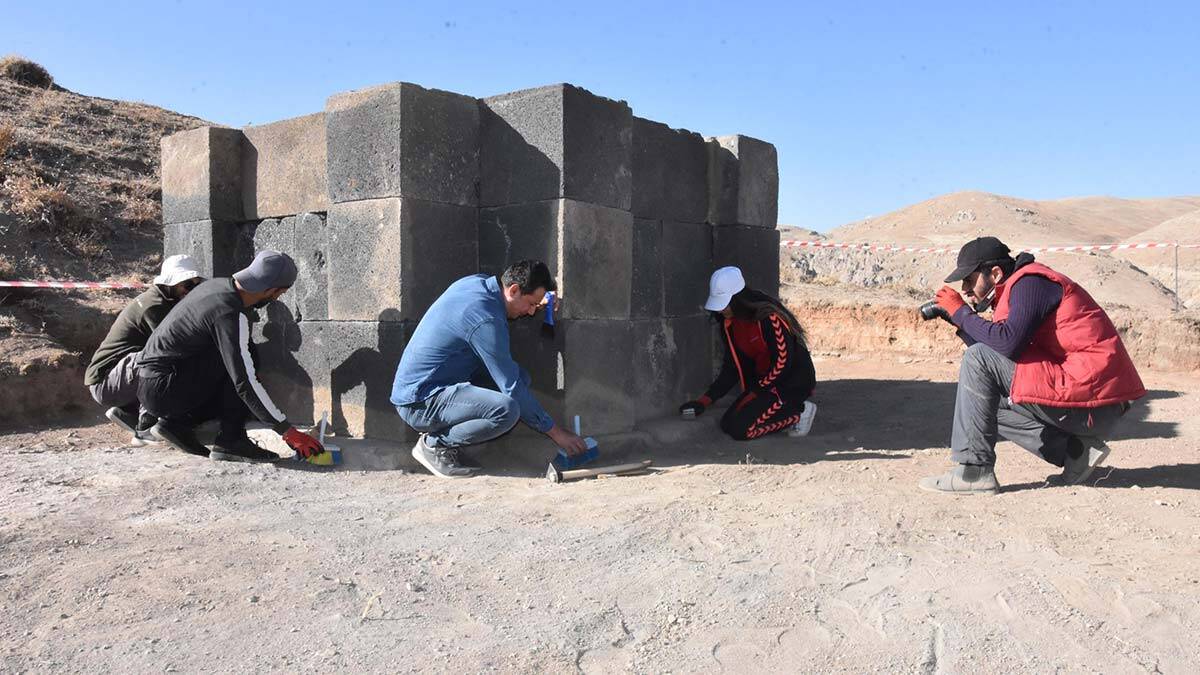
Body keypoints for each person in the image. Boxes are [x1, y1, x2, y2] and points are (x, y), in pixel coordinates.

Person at [919, 236, 1145, 494]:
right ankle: (1076, 453)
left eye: (969, 280)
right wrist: (956, 319)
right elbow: (996, 357)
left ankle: (974, 471)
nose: (966, 289)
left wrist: (961, 312)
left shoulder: (1030, 284)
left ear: (995, 273)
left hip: (1094, 402)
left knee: (977, 359)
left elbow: (1005, 345)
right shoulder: (1019, 288)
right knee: (983, 401)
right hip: (1087, 399)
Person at [391, 260, 589, 478]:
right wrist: (557, 433)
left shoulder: (477, 285)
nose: (532, 312)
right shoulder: (485, 318)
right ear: (514, 290)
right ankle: (434, 445)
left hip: (434, 384)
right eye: (531, 303)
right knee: (506, 410)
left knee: (521, 378)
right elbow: (510, 386)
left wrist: (547, 295)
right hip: (420, 401)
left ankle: (448, 437)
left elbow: (513, 379)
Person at [135, 250, 326, 463]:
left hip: (151, 386)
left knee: (239, 354)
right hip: (165, 390)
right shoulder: (230, 313)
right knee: (245, 362)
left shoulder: (215, 286)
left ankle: (177, 424)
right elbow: (244, 382)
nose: (276, 299)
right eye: (279, 294)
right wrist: (287, 432)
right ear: (272, 290)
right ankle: (232, 441)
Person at [679, 266, 817, 440]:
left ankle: (800, 411)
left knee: (742, 430)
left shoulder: (769, 318)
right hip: (764, 386)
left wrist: (757, 390)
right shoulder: (730, 324)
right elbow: (732, 367)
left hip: (789, 385)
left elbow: (783, 362)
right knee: (727, 424)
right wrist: (705, 401)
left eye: (724, 302)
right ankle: (783, 413)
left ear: (738, 298)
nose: (720, 309)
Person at [84, 254, 204, 439]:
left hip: (118, 378)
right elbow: (174, 346)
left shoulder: (166, 301)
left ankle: (127, 413)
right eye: (187, 285)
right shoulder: (154, 306)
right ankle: (146, 427)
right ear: (170, 283)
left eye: (195, 285)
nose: (191, 290)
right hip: (105, 382)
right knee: (167, 358)